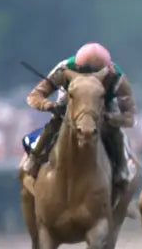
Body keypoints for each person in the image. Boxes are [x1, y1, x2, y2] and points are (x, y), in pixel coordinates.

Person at [24, 43, 135, 194]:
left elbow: (130, 115)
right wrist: (50, 105)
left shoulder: (117, 77)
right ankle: (35, 158)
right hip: (71, 103)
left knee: (116, 133)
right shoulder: (63, 69)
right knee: (55, 123)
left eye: (95, 73)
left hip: (103, 107)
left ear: (106, 71)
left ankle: (121, 170)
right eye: (83, 73)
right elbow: (34, 96)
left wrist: (112, 118)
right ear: (76, 68)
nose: (88, 80)